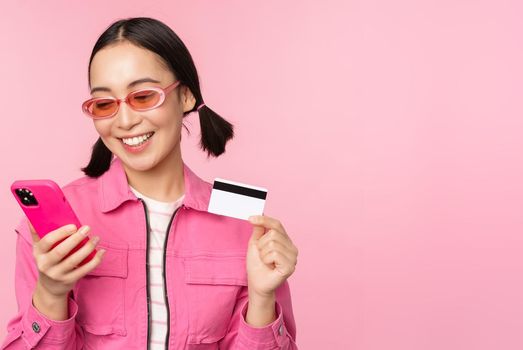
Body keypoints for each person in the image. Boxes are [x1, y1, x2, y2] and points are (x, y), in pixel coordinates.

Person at [1, 17, 299, 350]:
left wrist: (261, 298)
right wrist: (51, 293)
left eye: (143, 96)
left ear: (185, 96)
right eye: (105, 103)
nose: (125, 121)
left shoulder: (242, 217)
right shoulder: (56, 226)